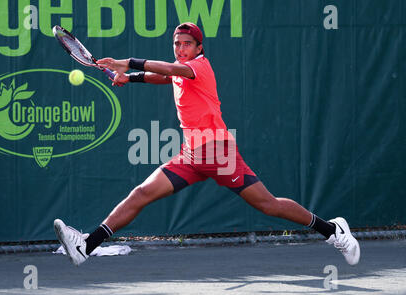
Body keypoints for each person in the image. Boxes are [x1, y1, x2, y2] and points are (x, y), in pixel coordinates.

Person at [54, 22, 360, 267]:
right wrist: (130, 78)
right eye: (177, 43)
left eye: (187, 43)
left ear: (199, 48)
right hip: (191, 155)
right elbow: (161, 77)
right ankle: (86, 245)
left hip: (218, 152)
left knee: (268, 205)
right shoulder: (180, 70)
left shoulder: (199, 67)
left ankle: (333, 231)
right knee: (142, 193)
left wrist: (124, 62)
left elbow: (170, 70)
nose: (181, 48)